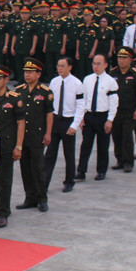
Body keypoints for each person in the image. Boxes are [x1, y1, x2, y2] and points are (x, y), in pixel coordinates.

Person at [0, 64, 24, 228]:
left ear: (6, 79)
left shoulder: (14, 98)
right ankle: (2, 207)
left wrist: (19, 146)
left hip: (7, 144)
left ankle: (3, 211)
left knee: (6, 179)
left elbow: (21, 124)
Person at [14, 57, 53, 212]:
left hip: (37, 136)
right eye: (26, 72)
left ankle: (42, 198)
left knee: (38, 168)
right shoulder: (19, 91)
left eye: (31, 72)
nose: (28, 75)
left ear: (38, 74)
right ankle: (29, 198)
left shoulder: (45, 92)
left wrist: (48, 133)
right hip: (23, 137)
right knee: (25, 168)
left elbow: (49, 114)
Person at [43, 56, 83, 193]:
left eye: (62, 66)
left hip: (68, 120)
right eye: (58, 66)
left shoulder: (77, 84)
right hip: (55, 120)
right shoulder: (54, 82)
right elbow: (49, 103)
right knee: (50, 153)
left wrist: (74, 125)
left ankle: (69, 181)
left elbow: (80, 106)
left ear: (70, 67)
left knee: (69, 153)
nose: (60, 68)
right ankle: (45, 181)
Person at [75, 54, 118, 181]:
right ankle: (81, 170)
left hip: (102, 115)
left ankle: (101, 170)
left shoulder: (111, 82)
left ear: (105, 65)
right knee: (86, 144)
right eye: (94, 63)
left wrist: (110, 119)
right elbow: (84, 99)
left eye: (99, 63)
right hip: (89, 115)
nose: (96, 66)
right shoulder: (87, 79)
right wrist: (81, 116)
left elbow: (114, 103)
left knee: (103, 145)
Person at [109, 47, 136, 173]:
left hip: (129, 111)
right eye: (119, 58)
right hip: (115, 112)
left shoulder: (135, 74)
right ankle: (120, 160)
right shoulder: (113, 73)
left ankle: (129, 162)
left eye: (124, 58)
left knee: (127, 137)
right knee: (116, 136)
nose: (121, 61)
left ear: (130, 59)